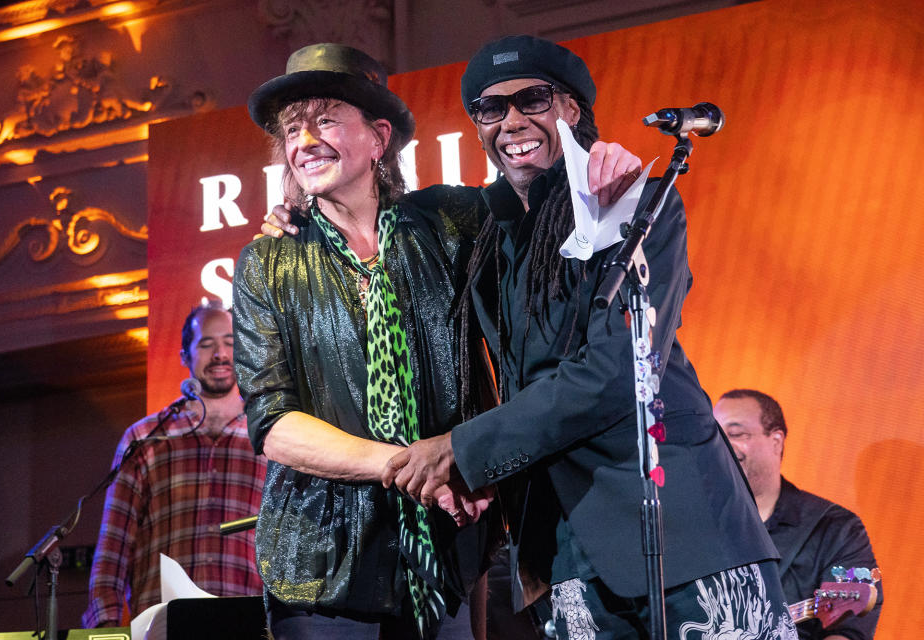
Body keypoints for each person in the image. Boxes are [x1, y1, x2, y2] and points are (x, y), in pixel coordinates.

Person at [380, 35, 799, 639]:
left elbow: (617, 371)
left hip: (683, 540)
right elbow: (380, 213)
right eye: (491, 109)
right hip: (565, 555)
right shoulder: (490, 236)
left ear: (571, 110)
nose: (512, 122)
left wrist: (463, 449)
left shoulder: (635, 200)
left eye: (532, 100)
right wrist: (299, 215)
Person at [237, 43, 640, 640]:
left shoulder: (453, 219)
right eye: (292, 129)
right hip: (323, 562)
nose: (303, 141)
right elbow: (273, 423)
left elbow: (544, 194)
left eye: (324, 120)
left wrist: (602, 161)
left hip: (447, 553)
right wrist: (416, 469)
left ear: (378, 138)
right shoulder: (270, 260)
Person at [82, 300, 266, 627]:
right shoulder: (145, 438)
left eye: (230, 343)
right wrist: (105, 627)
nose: (221, 354)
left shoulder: (271, 436)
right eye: (207, 344)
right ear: (185, 357)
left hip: (249, 621)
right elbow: (113, 548)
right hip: (163, 624)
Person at [714, 389, 881, 640]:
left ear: (776, 441)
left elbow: (848, 632)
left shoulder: (835, 528)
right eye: (715, 436)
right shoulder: (691, 522)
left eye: (736, 434)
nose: (722, 445)